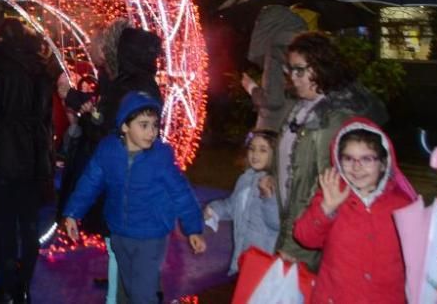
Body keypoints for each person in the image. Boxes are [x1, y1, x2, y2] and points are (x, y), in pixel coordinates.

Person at [63, 91, 205, 304]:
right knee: (130, 286)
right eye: (144, 125)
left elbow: (181, 193)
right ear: (125, 127)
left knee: (142, 293)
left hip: (151, 234)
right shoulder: (108, 151)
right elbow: (89, 183)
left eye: (155, 125)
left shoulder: (161, 158)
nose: (152, 132)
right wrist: (73, 213)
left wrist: (193, 228)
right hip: (120, 232)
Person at [262, 31, 385, 272]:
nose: (292, 78)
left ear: (320, 67)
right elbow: (290, 159)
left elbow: (328, 189)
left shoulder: (332, 120)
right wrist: (272, 175)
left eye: (299, 70)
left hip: (307, 240)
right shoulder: (301, 108)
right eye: (290, 70)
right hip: (291, 226)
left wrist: (297, 248)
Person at [293, 119, 417, 303]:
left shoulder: (403, 205)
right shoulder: (331, 194)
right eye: (349, 158)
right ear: (338, 160)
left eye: (367, 159)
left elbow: (421, 255)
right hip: (336, 297)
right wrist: (327, 209)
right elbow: (305, 237)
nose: (357, 167)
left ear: (383, 163)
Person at [0, 20, 53, 303]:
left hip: (7, 149)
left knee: (6, 219)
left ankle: (9, 285)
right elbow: (45, 114)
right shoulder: (40, 68)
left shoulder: (2, 69)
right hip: (34, 150)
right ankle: (24, 285)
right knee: (29, 221)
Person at [203, 129, 280, 275]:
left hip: (264, 258)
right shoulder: (246, 178)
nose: (255, 155)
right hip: (244, 252)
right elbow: (233, 206)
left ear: (274, 154)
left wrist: (268, 197)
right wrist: (215, 210)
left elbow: (276, 223)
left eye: (263, 150)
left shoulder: (275, 183)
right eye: (252, 149)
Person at [240, 5, 307, 132]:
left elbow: (273, 100)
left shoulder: (275, 49)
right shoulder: (307, 47)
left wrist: (251, 87)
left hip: (278, 127)